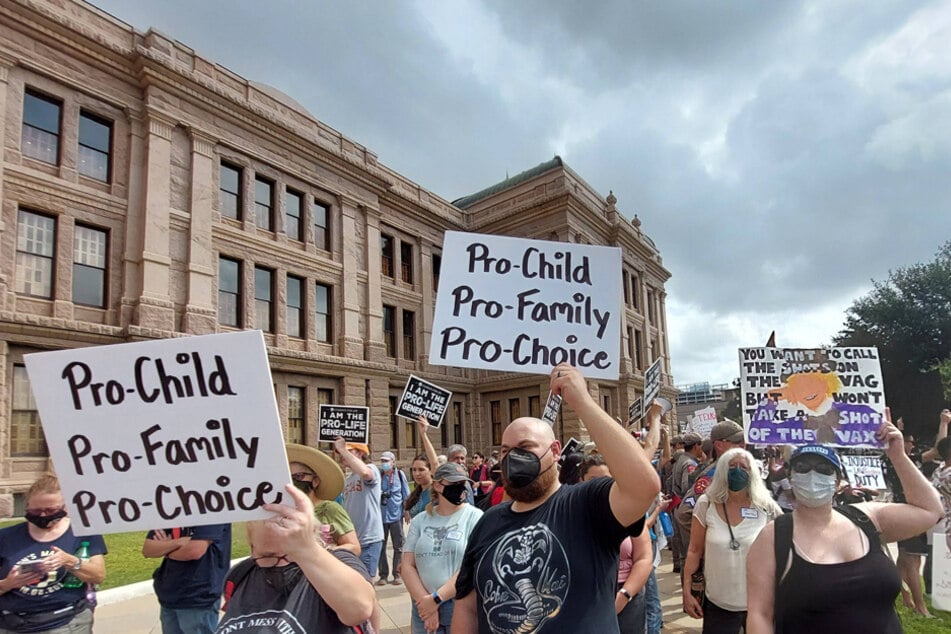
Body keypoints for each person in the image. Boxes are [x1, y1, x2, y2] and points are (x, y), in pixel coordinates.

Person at [452, 364, 660, 633]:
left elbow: (643, 486)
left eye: (525, 448)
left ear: (555, 451)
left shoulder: (587, 504)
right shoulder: (487, 523)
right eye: (505, 450)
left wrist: (582, 401)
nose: (513, 458)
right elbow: (467, 607)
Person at [746, 417, 944, 633]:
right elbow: (760, 613)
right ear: (791, 477)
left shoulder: (868, 518)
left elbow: (930, 511)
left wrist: (898, 456)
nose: (813, 475)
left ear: (838, 481)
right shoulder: (774, 537)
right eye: (802, 467)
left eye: (823, 468)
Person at [216, 483, 376, 633]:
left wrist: (306, 550)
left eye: (291, 554)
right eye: (268, 556)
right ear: (253, 548)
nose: (281, 565)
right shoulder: (241, 575)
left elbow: (360, 608)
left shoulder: (338, 562)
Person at [681, 448, 781, 632]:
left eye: (743, 467)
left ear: (753, 473)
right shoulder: (706, 504)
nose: (737, 471)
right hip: (718, 605)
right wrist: (687, 591)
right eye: (732, 466)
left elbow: (782, 551)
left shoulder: (766, 507)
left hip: (759, 606)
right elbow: (694, 550)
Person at [0, 475, 106, 633]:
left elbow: (98, 575)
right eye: (36, 510)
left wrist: (69, 561)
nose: (42, 515)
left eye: (50, 510)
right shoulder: (6, 537)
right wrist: (8, 583)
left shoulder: (83, 533)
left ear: (65, 507)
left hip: (66, 623)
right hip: (12, 624)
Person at [402, 462, 484, 634]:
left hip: (457, 605)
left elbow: (470, 566)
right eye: (455, 484)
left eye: (463, 484)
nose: (461, 489)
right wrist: (425, 603)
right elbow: (407, 565)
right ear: (438, 485)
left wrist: (436, 599)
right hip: (422, 608)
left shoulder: (475, 517)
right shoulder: (420, 520)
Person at [580, 454, 652, 633]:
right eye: (592, 480)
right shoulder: (573, 512)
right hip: (588, 595)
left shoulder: (629, 511)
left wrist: (624, 595)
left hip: (628, 595)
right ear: (582, 481)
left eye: (604, 480)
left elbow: (644, 557)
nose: (598, 486)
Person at [142, 522, 231, 634]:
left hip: (199, 596)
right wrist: (177, 543)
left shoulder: (211, 511)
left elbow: (194, 551)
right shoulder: (172, 511)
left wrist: (165, 548)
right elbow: (148, 549)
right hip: (169, 594)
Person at [286, 442, 360, 555]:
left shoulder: (330, 509)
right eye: (289, 478)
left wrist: (325, 553)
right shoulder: (285, 511)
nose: (293, 482)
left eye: (299, 476)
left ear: (315, 481)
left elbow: (354, 547)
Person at [334, 438, 384, 580]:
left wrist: (342, 450)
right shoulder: (348, 480)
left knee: (365, 583)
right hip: (353, 542)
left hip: (369, 539)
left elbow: (366, 474)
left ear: (360, 453)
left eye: (349, 451)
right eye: (341, 452)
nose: (342, 455)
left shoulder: (371, 469)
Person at [378, 450, 411, 586]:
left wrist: (407, 510)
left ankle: (397, 573)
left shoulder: (399, 474)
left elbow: (406, 494)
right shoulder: (378, 476)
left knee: (398, 546)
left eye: (387, 461)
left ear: (393, 462)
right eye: (382, 461)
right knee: (381, 546)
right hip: (381, 515)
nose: (384, 464)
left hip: (396, 514)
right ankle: (383, 575)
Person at [405, 454, 434, 522]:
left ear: (430, 470)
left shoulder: (436, 492)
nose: (417, 473)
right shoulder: (416, 493)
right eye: (414, 470)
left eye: (421, 470)